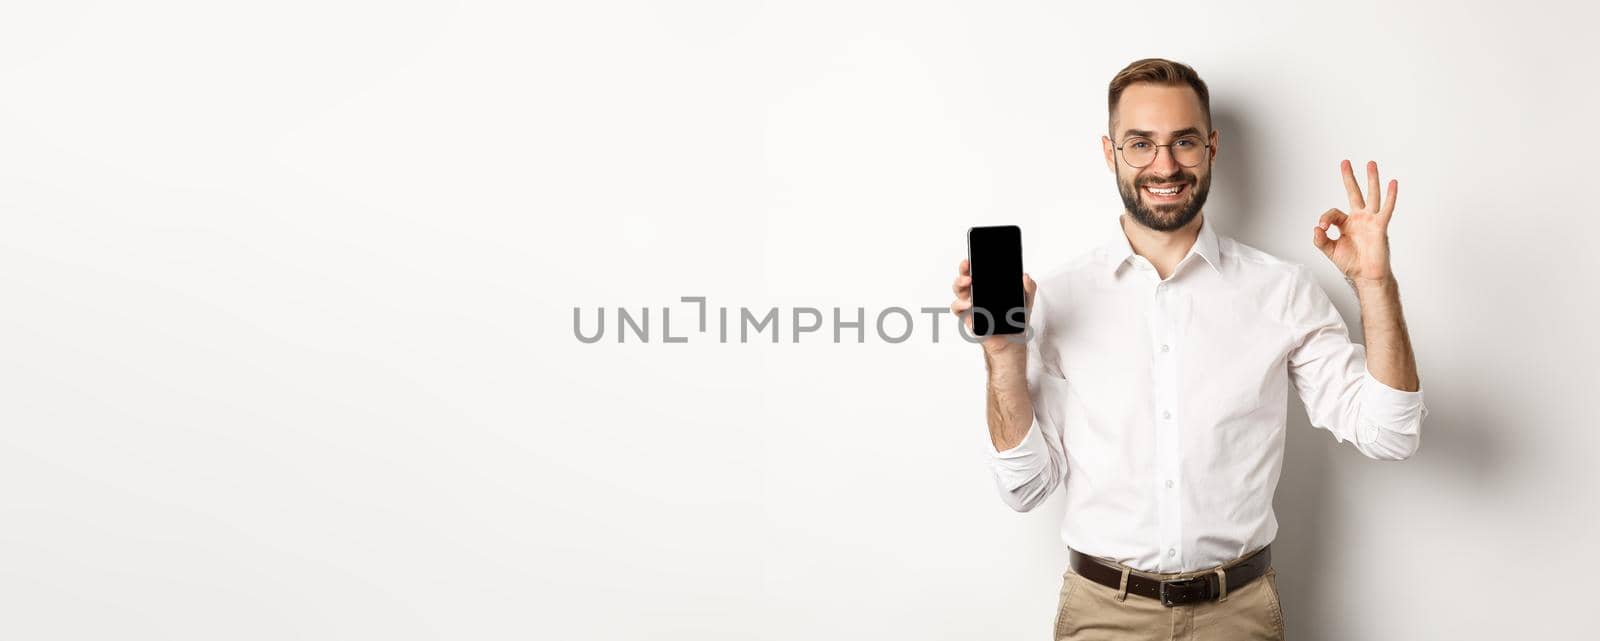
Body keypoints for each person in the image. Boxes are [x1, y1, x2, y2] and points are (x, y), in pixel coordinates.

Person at [947, 58, 1428, 640]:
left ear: (1212, 147)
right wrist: (1003, 358)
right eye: (1140, 144)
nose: (1165, 165)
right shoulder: (1058, 298)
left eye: (1184, 142)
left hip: (1239, 615)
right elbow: (1025, 487)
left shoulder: (1282, 290)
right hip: (1103, 616)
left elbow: (1390, 434)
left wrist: (1374, 285)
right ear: (1110, 154)